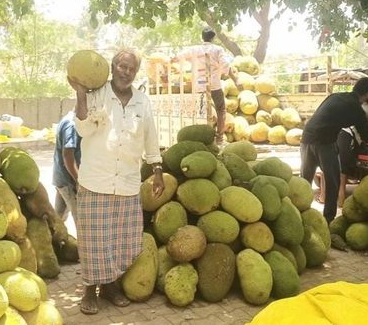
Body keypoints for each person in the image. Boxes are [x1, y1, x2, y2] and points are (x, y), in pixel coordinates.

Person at [68, 49, 164, 315]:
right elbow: (82, 128)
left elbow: (150, 136)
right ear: (112, 67)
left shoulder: (142, 101)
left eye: (132, 68)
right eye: (122, 66)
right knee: (93, 240)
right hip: (95, 179)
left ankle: (110, 286)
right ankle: (89, 288)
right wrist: (79, 93)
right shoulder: (95, 94)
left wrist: (157, 168)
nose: (127, 72)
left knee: (121, 240)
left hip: (127, 181)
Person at [300, 77, 368, 223]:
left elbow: (321, 116)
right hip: (324, 143)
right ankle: (328, 220)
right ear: (367, 95)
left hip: (306, 138)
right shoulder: (356, 109)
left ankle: (300, 214)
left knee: (304, 182)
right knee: (333, 181)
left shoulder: (334, 96)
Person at [173, 27, 236, 144]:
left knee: (201, 111)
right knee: (221, 109)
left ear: (202, 37)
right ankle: (219, 137)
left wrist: (173, 61)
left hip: (200, 86)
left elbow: (179, 56)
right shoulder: (218, 49)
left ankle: (203, 137)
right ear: (213, 38)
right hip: (214, 85)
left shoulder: (194, 49)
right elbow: (226, 65)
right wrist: (236, 80)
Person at [53, 110, 81, 222]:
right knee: (82, 222)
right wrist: (78, 180)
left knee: (57, 220)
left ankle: (54, 238)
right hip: (69, 181)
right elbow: (67, 154)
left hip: (62, 178)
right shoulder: (72, 124)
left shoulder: (69, 118)